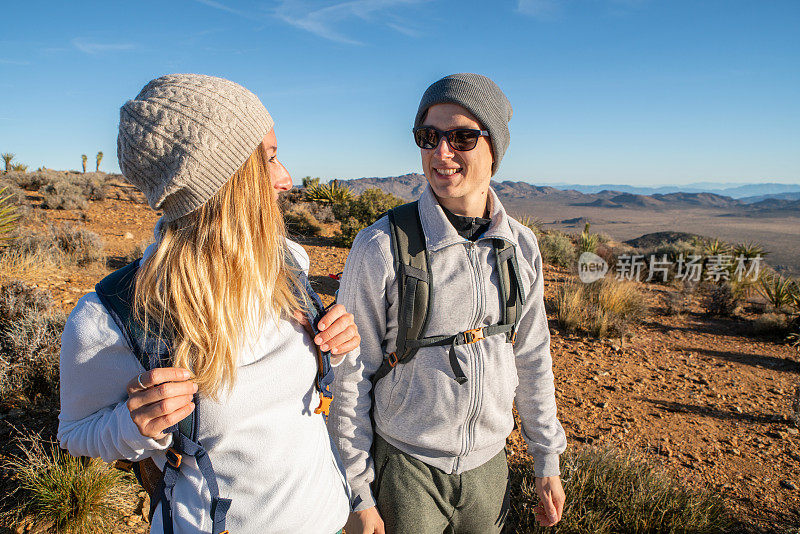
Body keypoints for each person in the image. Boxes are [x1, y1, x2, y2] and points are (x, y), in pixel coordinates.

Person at [58, 73, 358, 534]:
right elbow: (75, 434)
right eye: (271, 159)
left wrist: (336, 344)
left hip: (327, 517)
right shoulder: (113, 318)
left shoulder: (288, 265)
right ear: (224, 184)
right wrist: (134, 425)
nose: (286, 179)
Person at [328, 73, 567, 534]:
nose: (442, 153)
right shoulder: (380, 245)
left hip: (489, 468)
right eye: (429, 136)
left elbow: (533, 357)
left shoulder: (521, 246)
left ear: (493, 147)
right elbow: (350, 374)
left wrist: (546, 459)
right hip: (405, 469)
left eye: (461, 137)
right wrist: (358, 493)